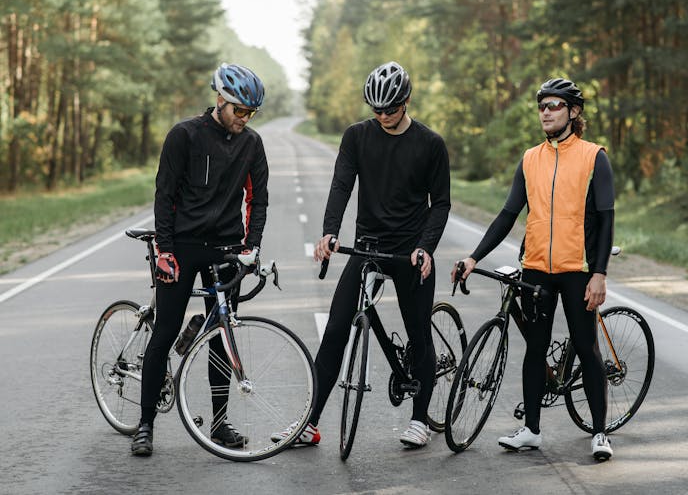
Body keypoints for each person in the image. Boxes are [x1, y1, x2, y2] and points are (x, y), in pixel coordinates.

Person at [272, 61, 451, 448]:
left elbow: (441, 204)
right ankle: (309, 422)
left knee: (419, 332)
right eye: (376, 110)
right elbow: (341, 185)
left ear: (405, 101)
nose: (383, 116)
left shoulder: (430, 144)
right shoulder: (356, 137)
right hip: (368, 245)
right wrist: (330, 232)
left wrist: (427, 247)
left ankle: (420, 418)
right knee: (336, 329)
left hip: (410, 251)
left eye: (390, 109)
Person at [451, 78, 615, 461]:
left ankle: (600, 432)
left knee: (587, 348)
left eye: (555, 105)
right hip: (537, 268)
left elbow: (606, 219)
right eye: (542, 105)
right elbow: (508, 215)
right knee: (535, 350)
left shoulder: (594, 157)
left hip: (578, 269)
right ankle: (532, 430)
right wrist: (475, 257)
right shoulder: (530, 159)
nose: (546, 112)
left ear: (574, 112)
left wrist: (600, 273)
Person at [131, 63, 269, 456]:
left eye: (250, 113)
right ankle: (145, 425)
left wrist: (251, 246)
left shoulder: (252, 144)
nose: (244, 119)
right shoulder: (184, 135)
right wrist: (166, 252)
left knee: (222, 339)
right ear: (220, 100)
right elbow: (165, 194)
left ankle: (221, 423)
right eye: (239, 110)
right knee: (165, 332)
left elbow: (258, 199)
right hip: (184, 245)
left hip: (226, 248)